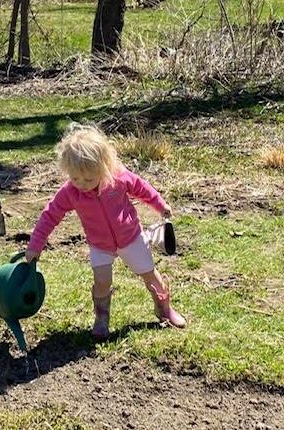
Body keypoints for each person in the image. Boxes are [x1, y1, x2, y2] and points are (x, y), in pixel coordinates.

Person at [25, 123, 186, 340]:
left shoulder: (118, 178)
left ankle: (164, 309)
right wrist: (36, 244)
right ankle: (101, 317)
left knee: (150, 275)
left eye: (89, 179)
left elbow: (142, 188)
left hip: (131, 238)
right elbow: (50, 215)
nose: (81, 184)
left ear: (103, 167)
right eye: (75, 178)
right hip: (100, 244)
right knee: (102, 281)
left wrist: (160, 205)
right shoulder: (70, 192)